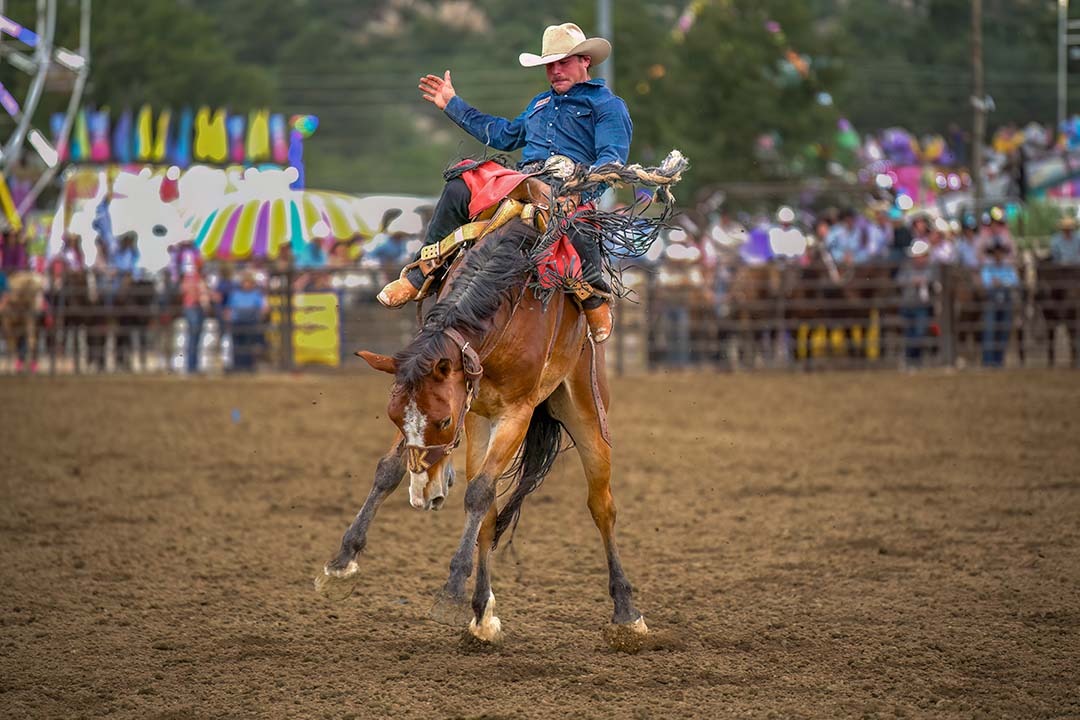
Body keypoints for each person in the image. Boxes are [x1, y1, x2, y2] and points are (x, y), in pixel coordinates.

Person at [376, 22, 631, 343]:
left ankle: (593, 294)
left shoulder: (607, 106)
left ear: (585, 61)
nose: (555, 71)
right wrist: (453, 104)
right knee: (459, 185)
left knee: (578, 221)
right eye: (549, 65)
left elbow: (612, 161)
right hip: (523, 182)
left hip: (570, 186)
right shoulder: (539, 104)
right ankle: (424, 272)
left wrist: (581, 191)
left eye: (563, 62)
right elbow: (504, 135)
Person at [896, 239, 936, 366]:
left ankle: (914, 360)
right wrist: (911, 280)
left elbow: (936, 282)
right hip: (908, 304)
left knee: (919, 332)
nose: (917, 259)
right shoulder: (906, 266)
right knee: (909, 333)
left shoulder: (932, 268)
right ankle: (911, 361)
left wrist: (924, 280)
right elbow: (899, 280)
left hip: (922, 306)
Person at [980, 239, 1019, 367]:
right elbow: (986, 283)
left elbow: (1015, 282)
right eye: (996, 253)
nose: (998, 255)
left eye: (1000, 253)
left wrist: (999, 283)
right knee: (990, 330)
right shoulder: (988, 268)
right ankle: (988, 361)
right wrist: (1002, 283)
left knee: (1003, 331)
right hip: (992, 301)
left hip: (1005, 302)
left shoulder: (1008, 268)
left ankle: (998, 361)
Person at [224, 271, 268, 372]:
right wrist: (228, 319)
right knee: (237, 345)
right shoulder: (235, 295)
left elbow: (263, 308)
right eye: (245, 282)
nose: (247, 284)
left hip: (251, 323)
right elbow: (229, 309)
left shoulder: (256, 295)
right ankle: (237, 366)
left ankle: (248, 366)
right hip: (237, 323)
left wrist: (260, 315)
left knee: (249, 345)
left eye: (249, 282)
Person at [180, 266, 211, 374]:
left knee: (195, 337)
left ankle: (193, 365)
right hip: (193, 307)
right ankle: (191, 366)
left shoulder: (196, 279)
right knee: (194, 336)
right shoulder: (193, 278)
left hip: (196, 307)